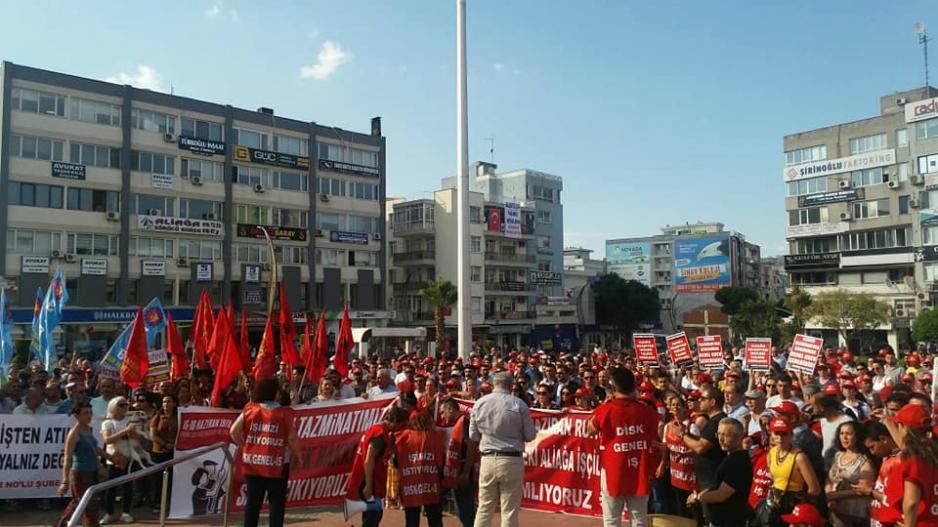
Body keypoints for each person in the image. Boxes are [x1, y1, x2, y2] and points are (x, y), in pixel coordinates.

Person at [586, 366, 658, 527]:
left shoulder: (605, 409)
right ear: (634, 387)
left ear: (613, 387)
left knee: (611, 520)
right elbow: (654, 432)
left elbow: (590, 430)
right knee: (639, 519)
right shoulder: (646, 411)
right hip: (638, 471)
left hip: (614, 472)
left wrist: (600, 409)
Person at [229, 378, 302, 527]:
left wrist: (246, 447)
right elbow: (292, 438)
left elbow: (233, 431)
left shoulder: (250, 409)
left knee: (252, 504)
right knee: (276, 503)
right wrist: (299, 456)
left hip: (254, 464)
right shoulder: (284, 413)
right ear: (275, 393)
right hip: (278, 465)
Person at [468, 372, 536, 527]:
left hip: (488, 458)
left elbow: (473, 436)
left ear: (493, 384)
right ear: (511, 385)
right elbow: (530, 435)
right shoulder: (519, 404)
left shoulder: (480, 403)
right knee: (509, 511)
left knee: (484, 508)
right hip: (511, 459)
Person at [346, 406, 410, 527]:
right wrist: (369, 486)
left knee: (372, 517)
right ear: (395, 422)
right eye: (402, 426)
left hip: (369, 482)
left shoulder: (377, 430)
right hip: (371, 484)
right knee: (372, 518)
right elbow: (369, 459)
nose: (402, 429)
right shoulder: (380, 435)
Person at [685, 418, 752, 527]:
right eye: (719, 434)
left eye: (726, 435)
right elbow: (717, 485)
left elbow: (721, 495)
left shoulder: (738, 462)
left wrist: (697, 498)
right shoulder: (730, 457)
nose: (720, 439)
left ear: (739, 437)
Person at [681, 387, 727, 525]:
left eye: (703, 399)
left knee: (712, 519)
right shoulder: (713, 420)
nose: (699, 401)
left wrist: (682, 435)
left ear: (712, 402)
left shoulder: (717, 421)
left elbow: (701, 447)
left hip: (713, 481)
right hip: (707, 480)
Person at [765, 417, 822, 526]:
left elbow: (815, 489)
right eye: (777, 433)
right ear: (772, 434)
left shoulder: (799, 457)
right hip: (775, 505)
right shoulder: (772, 453)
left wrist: (798, 500)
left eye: (784, 434)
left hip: (792, 506)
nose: (780, 438)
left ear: (791, 435)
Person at [888, 404, 938, 526]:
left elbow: (911, 503)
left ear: (904, 428)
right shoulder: (932, 453)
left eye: (898, 425)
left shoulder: (913, 460)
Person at [394, 410, 445, 527]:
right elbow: (440, 462)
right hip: (431, 484)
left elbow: (397, 462)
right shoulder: (436, 436)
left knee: (411, 521)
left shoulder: (402, 436)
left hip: (410, 486)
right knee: (435, 519)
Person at [54, 403, 102, 527]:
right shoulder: (74, 433)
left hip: (92, 471)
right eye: (85, 413)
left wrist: (111, 457)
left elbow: (95, 448)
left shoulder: (88, 429)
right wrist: (65, 481)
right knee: (81, 503)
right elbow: (67, 457)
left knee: (90, 503)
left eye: (90, 413)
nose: (89, 416)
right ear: (76, 415)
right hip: (80, 473)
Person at [824, 421, 875, 527]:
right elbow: (829, 479)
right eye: (842, 433)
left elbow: (863, 489)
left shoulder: (864, 461)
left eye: (848, 434)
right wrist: (829, 494)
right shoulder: (838, 455)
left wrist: (834, 496)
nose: (844, 437)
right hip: (835, 513)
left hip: (854, 515)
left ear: (857, 436)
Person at [100, 396, 143, 524]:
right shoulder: (107, 423)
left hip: (129, 458)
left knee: (128, 487)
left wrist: (131, 432)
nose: (125, 407)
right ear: (114, 407)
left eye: (125, 404)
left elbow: (138, 438)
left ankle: (126, 512)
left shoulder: (131, 421)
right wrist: (125, 431)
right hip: (113, 459)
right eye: (121, 405)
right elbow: (107, 439)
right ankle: (109, 513)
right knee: (110, 488)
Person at [440, 397, 478, 527]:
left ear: (450, 409)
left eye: (442, 412)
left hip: (464, 474)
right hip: (459, 473)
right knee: (462, 512)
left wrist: (466, 472)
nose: (441, 416)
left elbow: (472, 445)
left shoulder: (464, 422)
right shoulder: (458, 424)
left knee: (466, 513)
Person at [149, 394, 179, 513]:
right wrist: (165, 444)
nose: (166, 404)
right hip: (159, 452)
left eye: (168, 401)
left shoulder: (179, 416)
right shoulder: (157, 416)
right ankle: (157, 503)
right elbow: (153, 435)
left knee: (172, 479)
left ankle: (170, 503)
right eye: (164, 402)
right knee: (158, 480)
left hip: (174, 452)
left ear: (174, 403)